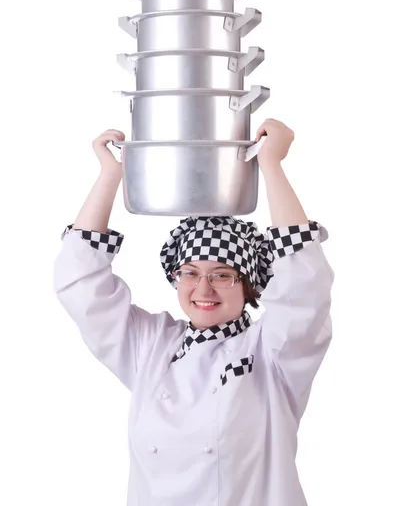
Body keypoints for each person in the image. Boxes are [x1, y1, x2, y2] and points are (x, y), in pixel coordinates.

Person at [53, 118, 335, 506]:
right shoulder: (151, 346)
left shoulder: (274, 353)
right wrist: (111, 175)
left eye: (221, 275)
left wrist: (272, 166)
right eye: (190, 273)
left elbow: (305, 289)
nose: (202, 289)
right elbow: (80, 284)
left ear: (249, 284)